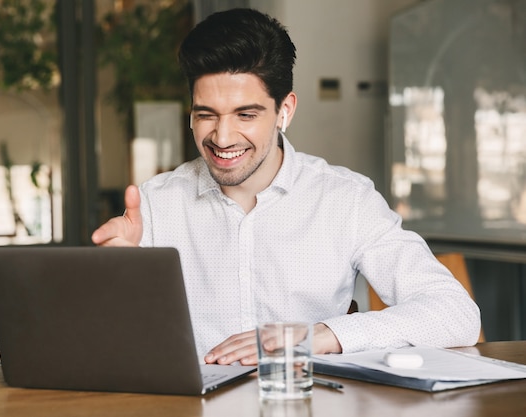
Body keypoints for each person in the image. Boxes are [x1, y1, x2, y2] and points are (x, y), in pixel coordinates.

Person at [92, 8, 481, 365]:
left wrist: (325, 335)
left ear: (285, 111)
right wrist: (112, 282)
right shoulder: (155, 205)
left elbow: (455, 314)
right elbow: (103, 344)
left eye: (246, 115)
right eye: (205, 115)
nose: (222, 137)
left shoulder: (345, 199)